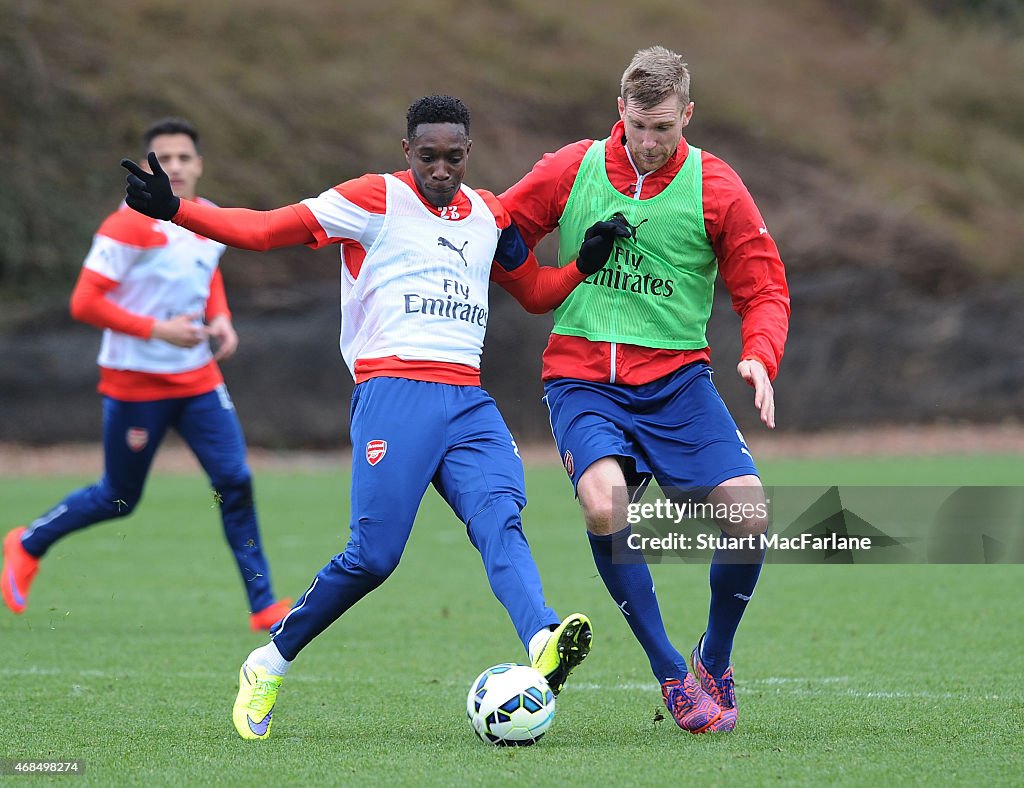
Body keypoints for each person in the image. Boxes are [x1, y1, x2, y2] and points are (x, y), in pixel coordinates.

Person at [121, 95, 625, 740]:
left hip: (468, 398)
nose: (440, 168)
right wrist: (177, 211)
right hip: (394, 391)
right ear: (406, 151)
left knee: (501, 519)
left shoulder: (489, 215)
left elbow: (533, 294)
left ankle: (541, 639)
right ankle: (268, 661)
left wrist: (584, 262)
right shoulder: (373, 199)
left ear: (467, 154)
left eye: (453, 156)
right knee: (374, 558)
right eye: (427, 155)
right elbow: (264, 230)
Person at [499, 46, 791, 733]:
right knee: (604, 503)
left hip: (676, 383)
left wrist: (759, 354)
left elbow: (764, 287)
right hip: (581, 381)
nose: (651, 143)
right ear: (619, 114)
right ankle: (669, 673)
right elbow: (500, 229)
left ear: (687, 115)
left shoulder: (716, 187)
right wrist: (542, 287)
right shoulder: (571, 169)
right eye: (639, 127)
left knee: (750, 517)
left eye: (666, 128)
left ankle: (712, 657)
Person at [1, 118, 292, 632]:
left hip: (199, 380)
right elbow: (84, 302)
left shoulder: (208, 220)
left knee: (235, 481)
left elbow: (205, 273)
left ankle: (263, 604)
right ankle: (27, 543)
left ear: (199, 165)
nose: (174, 167)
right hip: (136, 383)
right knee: (119, 497)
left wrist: (220, 317)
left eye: (184, 158)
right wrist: (156, 329)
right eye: (164, 158)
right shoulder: (126, 226)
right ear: (145, 166)